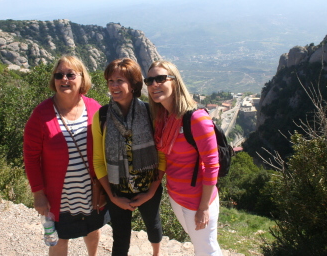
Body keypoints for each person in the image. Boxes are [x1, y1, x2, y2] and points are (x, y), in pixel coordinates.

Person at [24, 55, 110, 256]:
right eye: (59, 75)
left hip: (91, 192)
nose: (64, 79)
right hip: (59, 197)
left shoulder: (94, 108)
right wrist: (38, 193)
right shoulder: (41, 115)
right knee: (59, 240)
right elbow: (30, 157)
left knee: (92, 230)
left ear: (82, 78)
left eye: (70, 74)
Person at [145, 60, 222, 256]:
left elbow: (212, 165)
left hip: (197, 200)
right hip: (176, 196)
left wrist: (204, 207)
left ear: (175, 81)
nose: (154, 84)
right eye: (150, 80)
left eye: (161, 78)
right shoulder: (165, 117)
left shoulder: (196, 118)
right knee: (198, 243)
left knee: (207, 249)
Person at [92, 58, 165, 256]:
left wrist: (150, 192)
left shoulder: (151, 111)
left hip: (149, 185)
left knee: (153, 224)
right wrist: (113, 197)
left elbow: (162, 154)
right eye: (110, 81)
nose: (114, 86)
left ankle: (156, 253)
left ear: (133, 84)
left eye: (119, 81)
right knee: (120, 238)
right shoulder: (102, 117)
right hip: (117, 189)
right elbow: (98, 161)